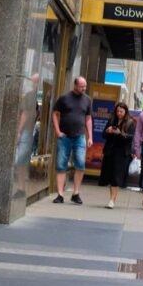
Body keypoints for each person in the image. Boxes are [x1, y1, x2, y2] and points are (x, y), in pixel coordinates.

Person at [52, 76, 92, 204]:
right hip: (64, 137)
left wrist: (90, 136)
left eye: (85, 86)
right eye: (81, 86)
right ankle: (60, 194)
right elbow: (54, 113)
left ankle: (76, 193)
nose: (84, 89)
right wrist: (57, 131)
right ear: (75, 85)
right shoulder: (64, 98)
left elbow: (88, 118)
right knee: (61, 165)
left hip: (80, 136)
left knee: (80, 164)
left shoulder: (87, 100)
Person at [98, 102, 136, 208]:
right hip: (110, 151)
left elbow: (129, 138)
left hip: (122, 152)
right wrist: (108, 131)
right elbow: (103, 135)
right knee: (110, 175)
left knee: (116, 176)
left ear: (125, 112)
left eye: (121, 111)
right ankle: (112, 198)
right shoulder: (111, 120)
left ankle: (112, 200)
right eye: (118, 111)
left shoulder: (130, 122)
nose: (119, 113)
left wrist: (119, 133)